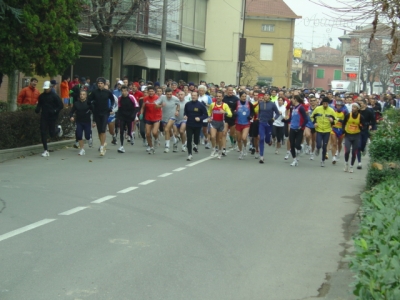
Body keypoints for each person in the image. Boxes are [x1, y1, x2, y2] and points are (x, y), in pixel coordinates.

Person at [35, 81, 64, 157]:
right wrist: (37, 109)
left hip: (52, 116)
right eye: (45, 88)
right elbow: (39, 105)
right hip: (44, 116)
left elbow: (61, 105)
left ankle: (58, 129)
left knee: (52, 134)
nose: (46, 90)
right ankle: (45, 150)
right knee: (43, 132)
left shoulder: (54, 96)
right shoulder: (41, 96)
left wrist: (55, 111)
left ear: (50, 87)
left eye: (47, 88)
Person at [88, 77, 115, 156]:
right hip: (97, 113)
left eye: (101, 83)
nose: (100, 85)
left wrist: (111, 107)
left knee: (103, 129)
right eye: (98, 83)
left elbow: (112, 100)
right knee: (99, 130)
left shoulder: (108, 92)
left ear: (104, 84)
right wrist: (92, 105)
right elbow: (89, 101)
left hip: (105, 113)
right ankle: (102, 143)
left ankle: (102, 147)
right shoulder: (94, 92)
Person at [311, 97, 337, 167]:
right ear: (322, 103)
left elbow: (336, 119)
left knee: (325, 146)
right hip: (319, 129)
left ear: (328, 104)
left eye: (326, 103)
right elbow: (312, 116)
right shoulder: (317, 109)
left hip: (327, 130)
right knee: (319, 144)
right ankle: (318, 148)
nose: (325, 105)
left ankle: (322, 160)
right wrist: (314, 123)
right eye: (324, 103)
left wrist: (332, 121)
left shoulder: (331, 110)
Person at [184, 91, 209, 161]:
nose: (193, 96)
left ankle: (195, 144)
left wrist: (200, 118)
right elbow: (185, 112)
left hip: (197, 125)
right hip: (189, 124)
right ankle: (189, 154)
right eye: (192, 95)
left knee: (196, 139)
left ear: (197, 96)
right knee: (189, 138)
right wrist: (185, 116)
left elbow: (206, 115)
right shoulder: (188, 104)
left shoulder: (201, 105)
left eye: (195, 95)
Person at [208, 91, 232, 159]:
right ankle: (213, 149)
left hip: (221, 123)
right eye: (217, 96)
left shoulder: (225, 105)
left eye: (219, 96)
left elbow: (230, 114)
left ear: (222, 97)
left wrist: (224, 112)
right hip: (213, 122)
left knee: (220, 139)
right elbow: (209, 111)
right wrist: (209, 117)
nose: (218, 97)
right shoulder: (212, 104)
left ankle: (220, 151)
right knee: (212, 137)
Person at [258, 92, 281, 163]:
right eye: (265, 95)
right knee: (261, 138)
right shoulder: (260, 103)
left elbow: (278, 113)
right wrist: (259, 117)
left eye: (267, 95)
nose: (266, 96)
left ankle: (269, 140)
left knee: (267, 140)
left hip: (269, 124)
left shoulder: (272, 104)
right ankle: (261, 156)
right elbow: (259, 112)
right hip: (261, 123)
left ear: (269, 96)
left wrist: (274, 119)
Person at [155, 88, 180, 153]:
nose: (169, 96)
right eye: (168, 94)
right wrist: (161, 105)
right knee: (169, 131)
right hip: (164, 117)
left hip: (172, 116)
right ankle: (175, 141)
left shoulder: (175, 98)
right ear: (165, 94)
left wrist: (177, 111)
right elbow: (155, 106)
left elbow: (178, 105)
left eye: (170, 94)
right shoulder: (162, 97)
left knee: (166, 129)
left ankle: (167, 146)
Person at [69, 90, 93, 156]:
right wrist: (71, 117)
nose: (82, 95)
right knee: (79, 135)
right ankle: (82, 149)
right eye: (81, 94)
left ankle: (90, 138)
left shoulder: (89, 103)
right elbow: (71, 112)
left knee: (87, 136)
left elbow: (94, 112)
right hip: (79, 122)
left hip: (87, 122)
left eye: (83, 94)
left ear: (86, 96)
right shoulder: (76, 103)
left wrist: (94, 121)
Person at [343, 103, 364, 173]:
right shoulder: (348, 115)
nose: (353, 108)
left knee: (354, 152)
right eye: (352, 107)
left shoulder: (360, 117)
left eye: (354, 107)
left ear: (358, 109)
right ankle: (346, 164)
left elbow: (363, 125)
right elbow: (343, 123)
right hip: (348, 135)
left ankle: (351, 166)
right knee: (347, 151)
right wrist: (344, 131)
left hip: (356, 136)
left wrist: (361, 126)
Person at [117, 86, 139, 153]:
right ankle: (121, 146)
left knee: (129, 131)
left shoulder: (131, 97)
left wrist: (134, 115)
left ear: (127, 91)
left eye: (125, 91)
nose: (123, 92)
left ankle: (131, 135)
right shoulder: (120, 98)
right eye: (122, 91)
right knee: (121, 131)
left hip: (130, 116)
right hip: (122, 116)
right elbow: (119, 107)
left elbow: (137, 107)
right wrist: (118, 116)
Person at [139, 86, 161, 154]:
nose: (151, 92)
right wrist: (141, 114)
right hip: (148, 117)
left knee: (154, 132)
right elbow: (143, 107)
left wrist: (158, 106)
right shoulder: (145, 98)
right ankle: (151, 147)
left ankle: (156, 139)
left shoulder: (158, 98)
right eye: (149, 91)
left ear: (154, 92)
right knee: (148, 134)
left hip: (156, 117)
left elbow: (162, 105)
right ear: (148, 92)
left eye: (152, 91)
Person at [288, 95, 308, 167]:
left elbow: (306, 119)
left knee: (297, 145)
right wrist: (285, 120)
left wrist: (301, 126)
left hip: (299, 129)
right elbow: (291, 118)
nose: (291, 100)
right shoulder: (292, 108)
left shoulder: (301, 108)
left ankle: (300, 147)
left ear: (295, 99)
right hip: (292, 128)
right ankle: (294, 160)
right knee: (292, 144)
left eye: (292, 99)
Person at [234, 91, 254, 159]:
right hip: (238, 123)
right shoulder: (237, 103)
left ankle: (245, 147)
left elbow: (252, 111)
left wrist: (251, 116)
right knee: (239, 139)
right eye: (242, 96)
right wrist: (234, 113)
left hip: (246, 123)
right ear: (240, 97)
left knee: (244, 138)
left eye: (245, 96)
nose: (244, 98)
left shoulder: (249, 103)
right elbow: (232, 110)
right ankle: (241, 152)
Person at [356, 98, 375, 169]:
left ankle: (364, 148)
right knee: (358, 146)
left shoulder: (368, 112)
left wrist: (370, 125)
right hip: (357, 130)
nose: (360, 104)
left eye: (361, 103)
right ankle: (359, 163)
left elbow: (373, 121)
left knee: (362, 145)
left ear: (365, 104)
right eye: (359, 103)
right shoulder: (357, 112)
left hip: (365, 130)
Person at [330, 99, 348, 164]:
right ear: (335, 105)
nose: (338, 106)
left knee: (339, 143)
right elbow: (330, 118)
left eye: (340, 105)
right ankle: (333, 157)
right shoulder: (333, 111)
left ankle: (338, 153)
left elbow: (347, 120)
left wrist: (342, 121)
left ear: (342, 105)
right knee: (334, 143)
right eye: (337, 105)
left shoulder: (345, 111)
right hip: (334, 129)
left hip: (341, 129)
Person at [222, 86, 239, 155]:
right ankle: (224, 149)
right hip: (225, 117)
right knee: (224, 133)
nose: (230, 91)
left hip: (233, 118)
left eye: (232, 90)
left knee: (232, 133)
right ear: (226, 91)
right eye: (229, 90)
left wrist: (236, 111)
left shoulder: (236, 99)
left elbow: (238, 107)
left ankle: (235, 141)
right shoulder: (224, 98)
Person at [304, 95, 318, 160]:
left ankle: (312, 153)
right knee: (307, 135)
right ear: (309, 101)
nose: (312, 102)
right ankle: (307, 145)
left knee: (313, 141)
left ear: (316, 101)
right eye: (311, 101)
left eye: (314, 101)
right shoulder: (307, 108)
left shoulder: (319, 109)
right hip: (308, 125)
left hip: (315, 126)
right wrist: (305, 113)